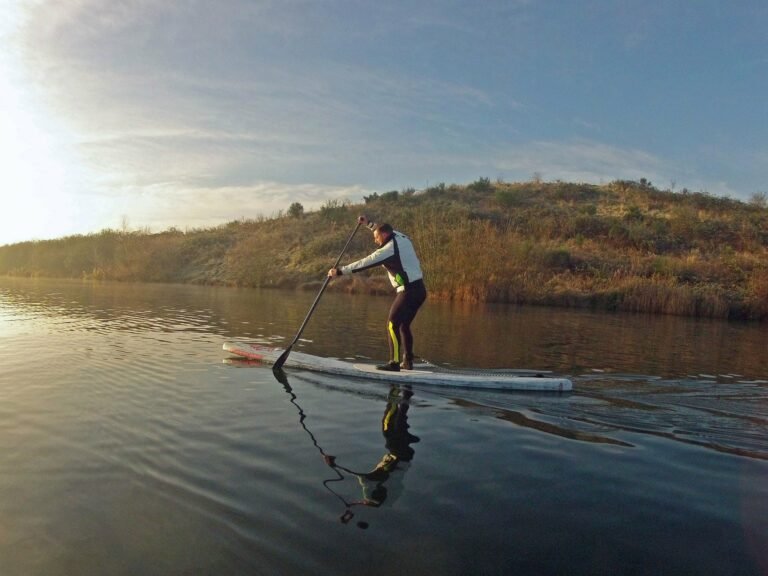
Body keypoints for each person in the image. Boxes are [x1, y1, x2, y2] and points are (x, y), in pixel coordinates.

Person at [328, 215, 427, 371]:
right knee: (404, 325)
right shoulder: (401, 236)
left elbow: (365, 262)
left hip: (408, 291)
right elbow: (381, 229)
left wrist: (340, 271)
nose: (375, 240)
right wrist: (368, 224)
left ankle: (394, 364)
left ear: (384, 235)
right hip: (420, 290)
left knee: (392, 324)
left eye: (376, 237)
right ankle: (408, 361)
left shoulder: (387, 250)